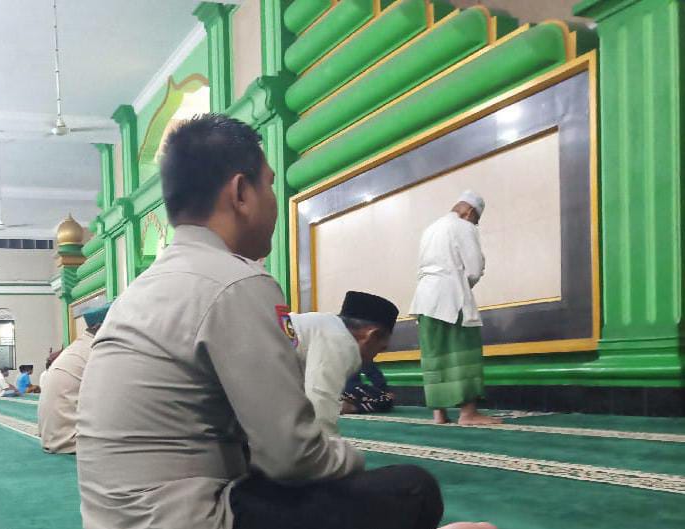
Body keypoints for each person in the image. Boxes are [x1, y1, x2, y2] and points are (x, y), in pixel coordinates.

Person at [77, 114, 494, 529]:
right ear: (241, 193)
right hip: (190, 516)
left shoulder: (144, 288)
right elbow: (293, 457)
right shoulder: (236, 282)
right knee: (412, 489)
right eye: (270, 184)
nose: (274, 199)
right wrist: (351, 459)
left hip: (115, 519)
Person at [409, 191, 502, 426]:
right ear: (470, 212)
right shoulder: (463, 226)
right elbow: (474, 268)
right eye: (476, 220)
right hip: (451, 297)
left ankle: (439, 414)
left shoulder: (430, 229)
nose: (475, 224)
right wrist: (464, 285)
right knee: (463, 351)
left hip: (424, 298)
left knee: (435, 354)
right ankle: (468, 413)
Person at [288, 291, 398, 436]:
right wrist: (331, 448)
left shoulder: (324, 325)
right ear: (371, 335)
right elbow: (320, 405)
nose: (375, 356)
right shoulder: (340, 340)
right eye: (381, 349)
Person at [39, 304, 110, 453]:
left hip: (53, 437)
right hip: (72, 440)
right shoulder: (98, 349)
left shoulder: (80, 346)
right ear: (100, 326)